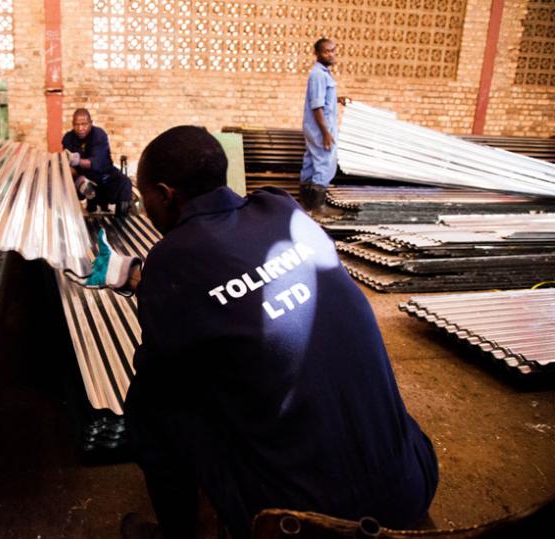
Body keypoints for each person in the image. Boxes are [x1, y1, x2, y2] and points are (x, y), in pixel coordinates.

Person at [84, 126, 438, 539]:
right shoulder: (281, 208)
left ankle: (177, 532)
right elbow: (239, 286)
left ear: (166, 195)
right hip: (412, 482)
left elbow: (165, 370)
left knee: (151, 403)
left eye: (147, 199)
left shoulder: (171, 259)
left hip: (306, 522)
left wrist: (161, 293)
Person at [300, 38, 349, 217]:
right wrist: (326, 133)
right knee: (325, 163)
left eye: (333, 50)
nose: (331, 54)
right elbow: (317, 106)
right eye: (326, 51)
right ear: (317, 54)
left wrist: (337, 98)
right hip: (320, 128)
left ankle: (306, 207)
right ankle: (318, 208)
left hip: (315, 128)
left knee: (311, 163)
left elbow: (322, 99)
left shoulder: (322, 74)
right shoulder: (319, 75)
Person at [62, 108, 132, 216]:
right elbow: (65, 163)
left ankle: (122, 221)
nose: (80, 128)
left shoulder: (99, 135)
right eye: (77, 125)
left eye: (84, 124)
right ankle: (77, 217)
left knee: (125, 183)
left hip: (104, 175)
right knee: (78, 183)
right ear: (72, 124)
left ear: (91, 123)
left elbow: (96, 162)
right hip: (84, 181)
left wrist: (76, 161)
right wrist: (75, 175)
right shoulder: (68, 138)